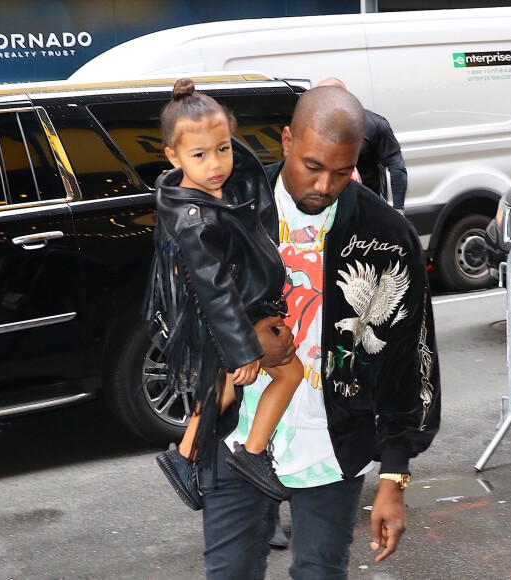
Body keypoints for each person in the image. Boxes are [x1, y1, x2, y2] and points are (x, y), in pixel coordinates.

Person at [197, 84, 441, 579]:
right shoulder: (231, 213)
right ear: (287, 140)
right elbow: (176, 317)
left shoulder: (387, 236)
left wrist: (394, 475)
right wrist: (240, 338)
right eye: (312, 166)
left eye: (342, 170)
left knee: (319, 573)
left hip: (332, 446)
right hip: (233, 436)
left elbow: (407, 362)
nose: (325, 185)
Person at [144, 78, 304, 510]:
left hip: (240, 316)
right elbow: (214, 292)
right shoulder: (194, 219)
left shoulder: (224, 187)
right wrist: (244, 349)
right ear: (173, 158)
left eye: (224, 148)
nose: (216, 163)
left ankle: (186, 456)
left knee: (224, 390)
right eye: (199, 155)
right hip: (228, 325)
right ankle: (250, 454)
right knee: (284, 375)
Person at [317, 77, 408, 214]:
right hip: (330, 209)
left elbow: (396, 166)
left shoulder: (375, 125)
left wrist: (398, 209)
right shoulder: (316, 126)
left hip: (369, 208)